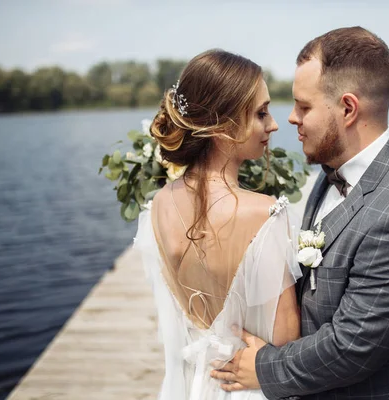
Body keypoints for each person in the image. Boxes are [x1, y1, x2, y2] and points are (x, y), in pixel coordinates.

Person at [211, 26, 389, 399]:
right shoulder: (331, 173)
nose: (290, 118)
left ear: (348, 108)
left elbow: (351, 348)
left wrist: (261, 368)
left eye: (304, 106)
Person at [133, 49, 303, 399]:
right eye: (261, 113)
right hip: (246, 386)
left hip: (191, 384)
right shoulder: (264, 212)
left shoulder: (159, 204)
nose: (273, 124)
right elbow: (286, 339)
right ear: (223, 125)